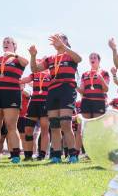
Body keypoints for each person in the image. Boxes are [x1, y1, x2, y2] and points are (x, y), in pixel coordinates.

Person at [30, 34, 83, 163]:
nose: (56, 40)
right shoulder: (50, 58)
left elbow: (79, 58)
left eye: (60, 38)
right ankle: (56, 156)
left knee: (65, 123)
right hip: (53, 91)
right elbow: (35, 69)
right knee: (54, 125)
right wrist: (33, 55)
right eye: (55, 39)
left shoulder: (70, 54)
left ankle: (73, 154)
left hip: (67, 89)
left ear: (66, 41)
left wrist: (63, 46)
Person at [20, 68, 51, 160]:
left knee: (44, 129)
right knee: (28, 129)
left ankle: (42, 155)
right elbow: (24, 80)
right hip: (33, 103)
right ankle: (28, 155)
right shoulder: (34, 74)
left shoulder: (51, 74)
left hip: (45, 102)